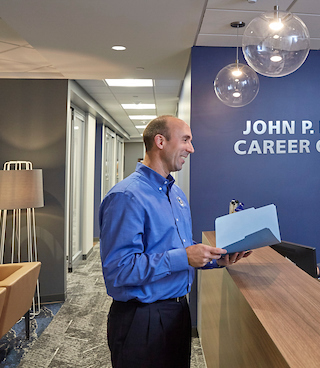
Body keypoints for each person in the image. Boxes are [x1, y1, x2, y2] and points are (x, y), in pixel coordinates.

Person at [99, 115, 250, 368]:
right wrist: (184, 257)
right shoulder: (126, 196)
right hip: (141, 320)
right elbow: (119, 270)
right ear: (160, 141)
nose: (191, 148)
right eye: (186, 140)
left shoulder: (176, 194)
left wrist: (216, 259)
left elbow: (177, 248)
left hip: (178, 313)